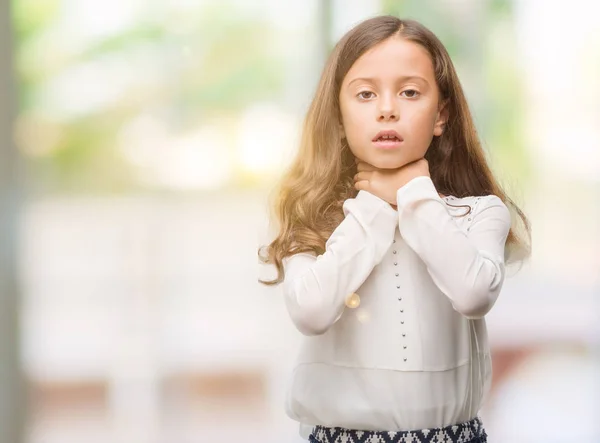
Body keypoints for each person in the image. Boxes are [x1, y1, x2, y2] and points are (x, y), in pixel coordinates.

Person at [258, 15, 531, 443]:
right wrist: (374, 204)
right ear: (339, 114)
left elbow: (474, 294)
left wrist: (414, 194)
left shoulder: (479, 213)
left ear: (441, 114)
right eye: (365, 94)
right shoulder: (311, 215)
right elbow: (310, 312)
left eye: (409, 92)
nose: (387, 108)